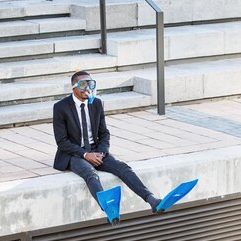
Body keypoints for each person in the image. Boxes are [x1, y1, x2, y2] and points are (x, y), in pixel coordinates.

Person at [53, 70, 161, 213]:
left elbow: (104, 133)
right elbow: (62, 142)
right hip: (74, 153)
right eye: (83, 85)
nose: (88, 88)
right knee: (90, 173)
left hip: (96, 150)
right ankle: (108, 209)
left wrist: (102, 152)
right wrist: (86, 155)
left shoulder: (96, 104)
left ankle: (151, 199)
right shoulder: (61, 107)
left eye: (91, 84)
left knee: (123, 168)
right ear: (74, 87)